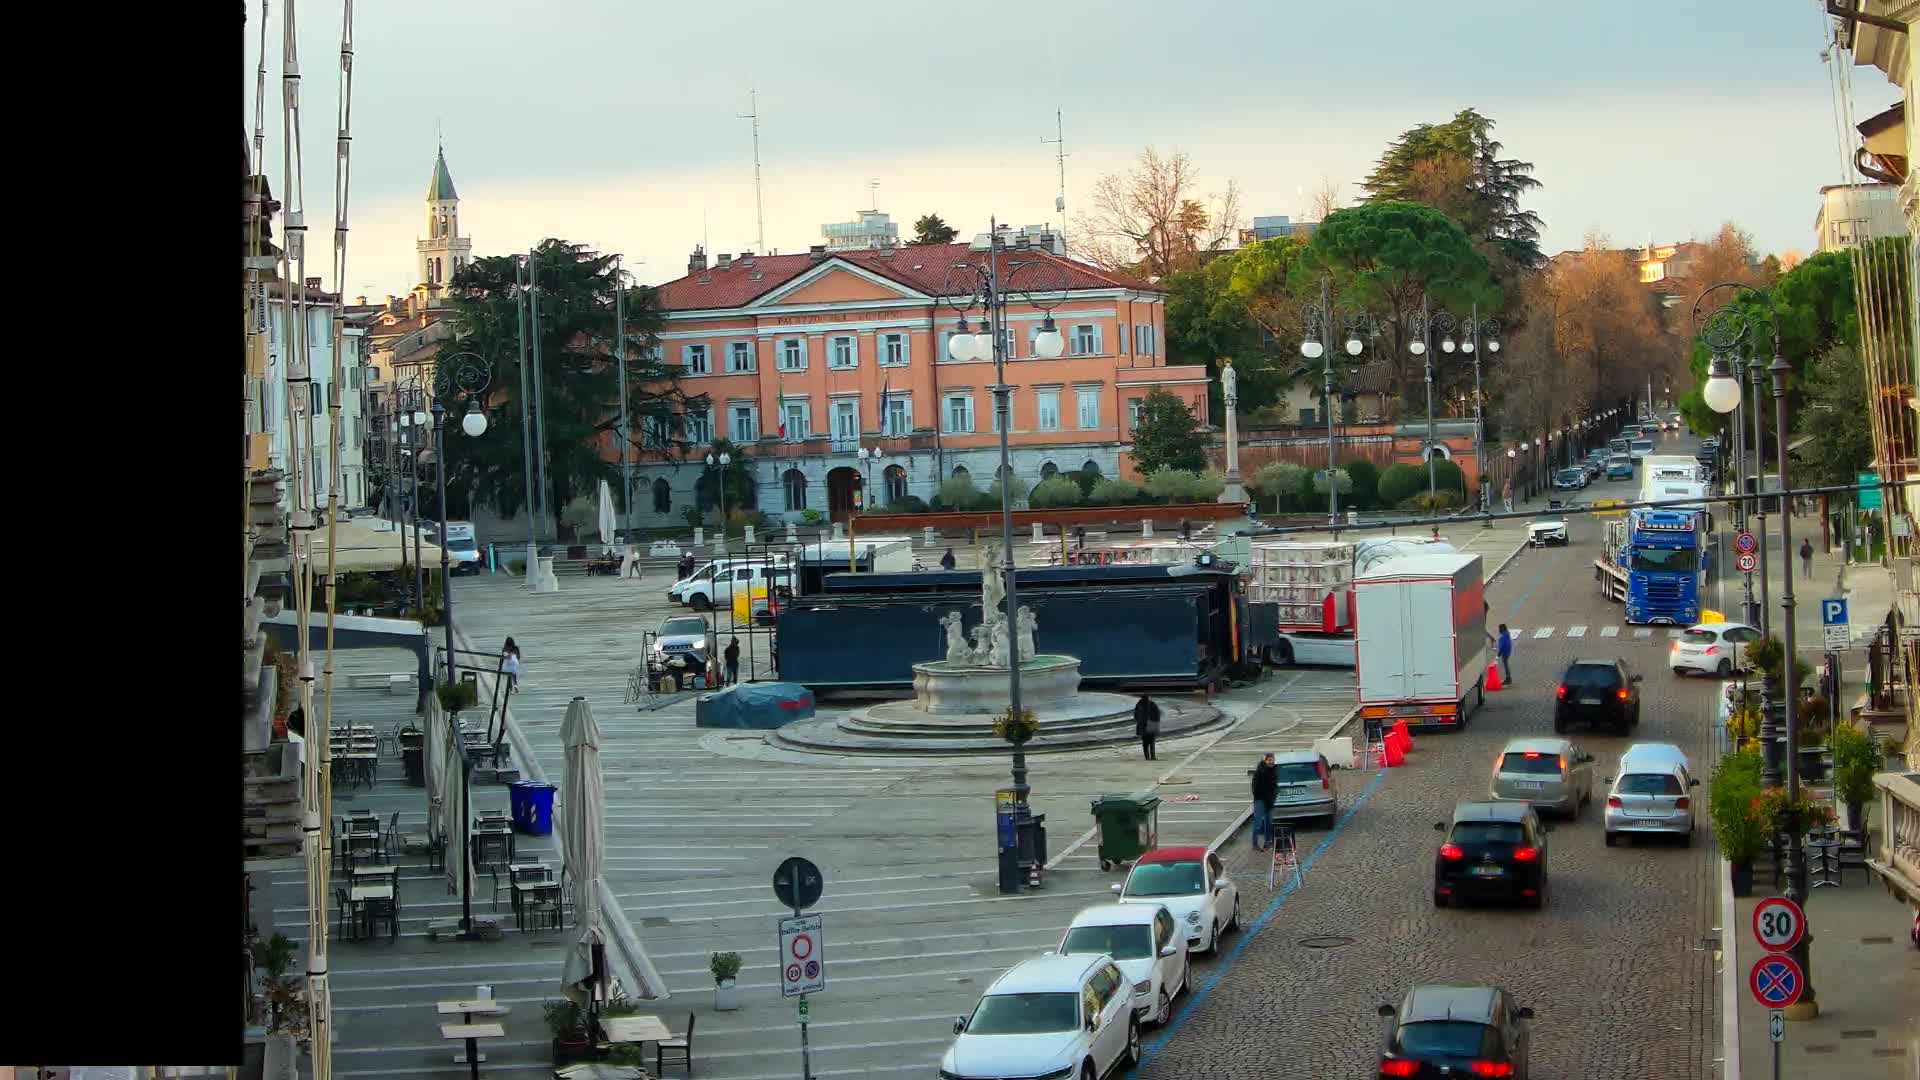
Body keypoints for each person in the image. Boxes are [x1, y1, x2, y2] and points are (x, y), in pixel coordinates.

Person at [1250, 752, 1278, 851]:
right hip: (1260, 800)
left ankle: (1268, 842)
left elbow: (1275, 786)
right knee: (1258, 823)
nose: (1271, 762)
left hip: (1269, 800)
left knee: (1268, 822)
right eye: (1269, 760)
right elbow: (1255, 787)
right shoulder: (1260, 772)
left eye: (1272, 760)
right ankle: (1255, 844)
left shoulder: (1274, 771)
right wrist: (1260, 797)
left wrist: (1273, 797)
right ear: (1265, 761)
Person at [1133, 694, 1161, 761]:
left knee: (1145, 743)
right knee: (1151, 742)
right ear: (1149, 697)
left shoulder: (1139, 704)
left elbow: (1136, 715)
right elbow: (1157, 715)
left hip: (1142, 726)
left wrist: (1139, 721)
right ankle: (1153, 756)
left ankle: (1147, 757)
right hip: (1151, 725)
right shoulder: (1152, 704)